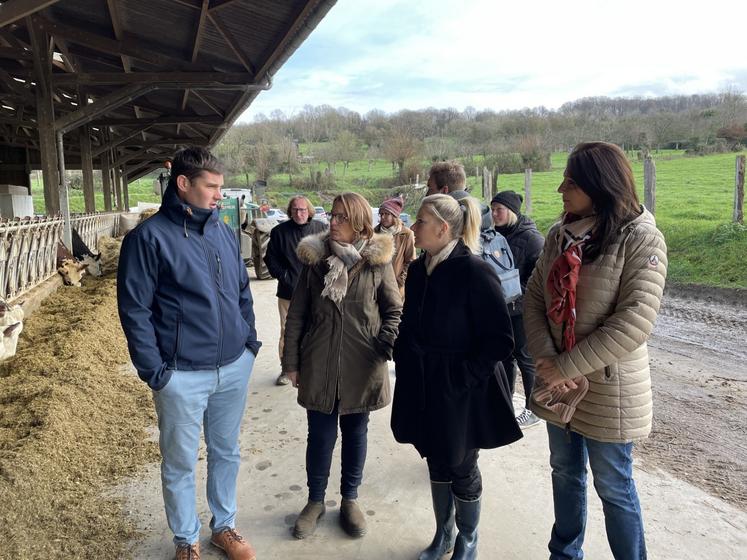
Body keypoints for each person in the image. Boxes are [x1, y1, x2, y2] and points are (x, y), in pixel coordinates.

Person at [523, 141, 667, 560]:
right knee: (565, 473)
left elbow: (634, 321)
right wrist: (548, 361)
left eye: (571, 182)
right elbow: (534, 299)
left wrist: (565, 365)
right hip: (558, 384)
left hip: (609, 390)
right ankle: (565, 553)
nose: (561, 191)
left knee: (614, 487)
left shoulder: (641, 238)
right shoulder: (559, 234)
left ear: (599, 185)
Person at [117, 147, 261, 560]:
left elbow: (241, 293)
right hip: (181, 374)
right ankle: (186, 540)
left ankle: (225, 527)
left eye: (220, 186)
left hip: (233, 366)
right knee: (179, 462)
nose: (219, 195)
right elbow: (135, 311)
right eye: (211, 186)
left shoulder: (222, 231)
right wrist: (156, 373)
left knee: (226, 452)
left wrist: (249, 343)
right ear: (184, 184)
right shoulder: (148, 239)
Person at [391, 193, 522, 560]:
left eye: (419, 222)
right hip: (423, 382)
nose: (412, 228)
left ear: (442, 228)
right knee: (435, 455)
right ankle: (443, 535)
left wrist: (461, 378)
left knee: (462, 463)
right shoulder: (418, 270)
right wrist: (403, 356)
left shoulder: (475, 271)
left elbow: (500, 342)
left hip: (462, 389)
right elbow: (409, 323)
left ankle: (468, 540)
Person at [281, 192, 402, 540]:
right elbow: (298, 314)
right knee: (319, 436)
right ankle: (315, 501)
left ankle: (350, 499)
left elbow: (393, 310)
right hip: (319, 363)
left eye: (341, 218)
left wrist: (384, 345)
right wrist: (292, 362)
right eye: (331, 216)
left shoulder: (376, 263)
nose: (331, 223)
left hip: (362, 363)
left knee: (355, 433)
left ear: (360, 224)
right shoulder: (315, 262)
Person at [490, 190, 545, 429]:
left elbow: (538, 279)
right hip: (501, 307)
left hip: (521, 309)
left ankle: (534, 410)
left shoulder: (533, 239)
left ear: (512, 211)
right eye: (492, 209)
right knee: (504, 357)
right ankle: (504, 403)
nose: (494, 214)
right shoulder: (493, 235)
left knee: (525, 357)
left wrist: (515, 295)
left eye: (498, 209)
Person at [264, 195, 327, 386]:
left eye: (302, 210)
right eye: (295, 210)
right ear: (290, 211)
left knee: (317, 329)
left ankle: (315, 367)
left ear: (309, 211)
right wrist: (284, 277)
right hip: (288, 292)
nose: (299, 213)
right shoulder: (279, 232)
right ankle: (286, 369)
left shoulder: (321, 229)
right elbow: (270, 259)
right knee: (288, 331)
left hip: (317, 292)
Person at [425, 161, 492, 230]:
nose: (426, 195)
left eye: (430, 188)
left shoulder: (448, 230)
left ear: (444, 190)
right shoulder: (486, 219)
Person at [374, 195, 416, 296]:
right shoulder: (374, 232)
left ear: (394, 215)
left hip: (396, 287)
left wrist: (400, 281)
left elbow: (410, 261)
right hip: (375, 285)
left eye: (386, 214)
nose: (382, 217)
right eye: (381, 214)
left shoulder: (406, 234)